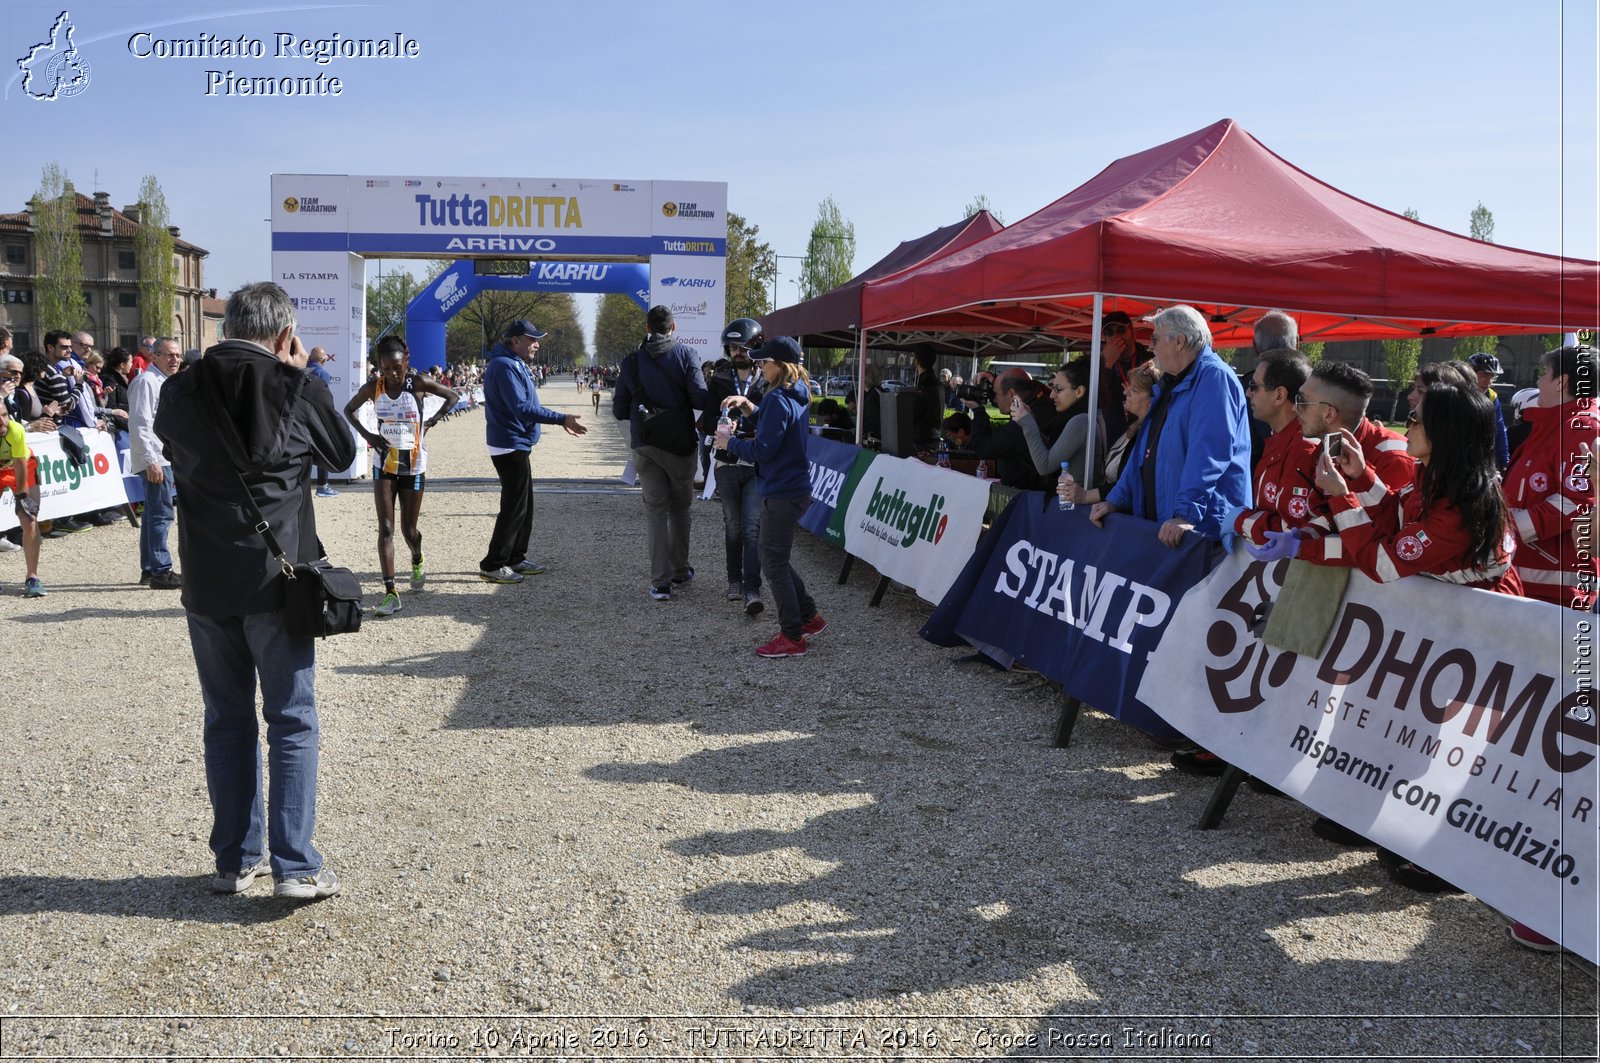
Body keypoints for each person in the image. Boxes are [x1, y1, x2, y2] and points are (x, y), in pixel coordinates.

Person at [154, 281, 356, 901]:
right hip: (278, 578)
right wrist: (303, 378)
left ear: (228, 325)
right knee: (291, 720)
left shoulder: (178, 387)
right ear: (284, 333)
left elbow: (177, 453)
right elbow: (344, 454)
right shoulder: (291, 384)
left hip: (207, 579)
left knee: (226, 720)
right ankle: (294, 866)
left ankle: (234, 859)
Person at [1171, 347, 1321, 778]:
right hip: (1270, 578)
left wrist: (1238, 518)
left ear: (1279, 394)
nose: (1246, 392)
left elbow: (1288, 526)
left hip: (1299, 584)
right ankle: (1236, 747)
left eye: (1253, 385)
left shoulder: (1306, 449)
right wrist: (1246, 520)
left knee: (1284, 670)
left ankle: (1265, 759)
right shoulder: (1276, 441)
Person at [1091, 305, 1252, 546]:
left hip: (1201, 530)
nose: (1150, 346)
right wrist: (1116, 499)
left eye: (1155, 338)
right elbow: (1144, 450)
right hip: (1171, 526)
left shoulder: (1214, 378)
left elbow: (1208, 454)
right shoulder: (1172, 383)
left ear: (1179, 341)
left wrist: (1185, 515)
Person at [717, 336, 827, 658]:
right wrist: (749, 406)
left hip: (781, 492)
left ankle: (792, 636)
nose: (759, 367)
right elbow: (772, 426)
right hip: (792, 490)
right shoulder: (795, 393)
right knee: (774, 558)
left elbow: (764, 448)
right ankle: (809, 617)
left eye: (764, 362)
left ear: (780, 365)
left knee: (773, 564)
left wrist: (729, 444)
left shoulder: (779, 398)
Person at [343, 336, 458, 617]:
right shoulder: (374, 387)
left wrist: (430, 421)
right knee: (385, 528)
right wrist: (369, 436)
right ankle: (390, 592)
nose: (393, 374)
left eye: (397, 367)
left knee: (409, 530)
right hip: (384, 464)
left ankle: (417, 556)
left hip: (413, 465)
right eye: (386, 369)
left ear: (404, 362)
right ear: (379, 367)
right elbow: (348, 410)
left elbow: (453, 396)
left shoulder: (417, 383)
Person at [612, 305, 709, 601]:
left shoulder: (631, 361)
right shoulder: (687, 355)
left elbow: (618, 410)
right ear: (674, 327)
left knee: (655, 511)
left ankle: (660, 583)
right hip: (679, 444)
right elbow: (700, 397)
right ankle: (680, 571)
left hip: (645, 443)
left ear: (647, 328)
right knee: (680, 509)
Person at [480, 320, 587, 584]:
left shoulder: (512, 363)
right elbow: (522, 408)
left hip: (517, 442)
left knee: (524, 505)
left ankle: (516, 556)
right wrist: (561, 418)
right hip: (509, 443)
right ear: (515, 340)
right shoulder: (505, 366)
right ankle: (493, 564)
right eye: (532, 339)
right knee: (514, 506)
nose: (537, 344)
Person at [1502, 344, 1600, 609]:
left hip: (1556, 589)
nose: (1538, 381)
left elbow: (1577, 500)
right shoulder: (1556, 426)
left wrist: (1507, 529)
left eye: (1544, 373)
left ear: (1562, 382)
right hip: (1534, 580)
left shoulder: (1583, 428)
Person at [704, 318, 766, 614]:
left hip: (755, 460)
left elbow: (770, 419)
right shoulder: (719, 379)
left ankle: (752, 588)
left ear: (755, 346)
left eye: (742, 346)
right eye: (732, 346)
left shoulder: (767, 379)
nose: (737, 351)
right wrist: (719, 423)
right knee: (733, 527)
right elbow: (704, 420)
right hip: (726, 461)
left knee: (753, 528)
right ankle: (734, 580)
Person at [1295, 361, 1414, 504]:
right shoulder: (1332, 442)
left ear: (1329, 414)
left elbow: (1388, 524)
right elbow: (1325, 515)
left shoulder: (1394, 459)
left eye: (1302, 400)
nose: (1295, 408)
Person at [1058, 362, 1161, 509]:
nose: (1126, 392)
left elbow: (1129, 485)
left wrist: (1086, 496)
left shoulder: (1150, 435)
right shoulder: (1135, 427)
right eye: (1128, 387)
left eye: (1135, 390)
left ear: (1153, 400)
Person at [127, 338, 185, 589]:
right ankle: (161, 569)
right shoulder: (146, 382)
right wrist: (152, 460)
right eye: (168, 355)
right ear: (154, 356)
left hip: (162, 456)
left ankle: (151, 569)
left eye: (177, 355)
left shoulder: (163, 382)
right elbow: (140, 423)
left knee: (153, 514)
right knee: (161, 514)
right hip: (155, 458)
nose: (174, 360)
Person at [963, 368, 1066, 490]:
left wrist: (978, 411)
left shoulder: (1024, 421)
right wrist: (993, 379)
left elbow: (983, 448)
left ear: (1012, 394)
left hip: (1027, 496)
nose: (994, 399)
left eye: (996, 394)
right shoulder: (1040, 400)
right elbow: (1021, 382)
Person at [1011, 357, 1106, 488]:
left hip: (1074, 505)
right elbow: (1053, 453)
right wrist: (1031, 419)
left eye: (1058, 389)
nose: (1051, 395)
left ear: (1079, 391)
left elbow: (1045, 466)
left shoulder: (1081, 421)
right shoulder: (1091, 415)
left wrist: (1028, 425)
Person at [0, 399, 44, 596]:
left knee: (29, 520)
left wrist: (21, 495)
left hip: (23, 466)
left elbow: (19, 464)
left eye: (3, 415)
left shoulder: (15, 429)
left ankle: (32, 577)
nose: (2, 421)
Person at [1095, 310, 1154, 440]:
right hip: (1114, 440)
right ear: (1105, 338)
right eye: (1109, 333)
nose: (1116, 337)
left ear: (1132, 332)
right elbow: (1096, 401)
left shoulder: (1151, 361)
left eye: (1121, 330)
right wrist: (1107, 363)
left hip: (1146, 434)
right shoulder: (1096, 365)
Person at [1467, 352, 1512, 471]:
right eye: (1484, 375)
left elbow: (1499, 430)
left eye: (1492, 377)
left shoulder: (1491, 397)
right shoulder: (1454, 394)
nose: (1489, 382)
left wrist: (1504, 463)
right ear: (1470, 373)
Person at [307, 347, 340, 497]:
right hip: (317, 417)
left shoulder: (299, 369)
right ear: (324, 359)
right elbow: (323, 398)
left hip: (299, 417)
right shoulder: (323, 375)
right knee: (323, 450)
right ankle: (322, 485)